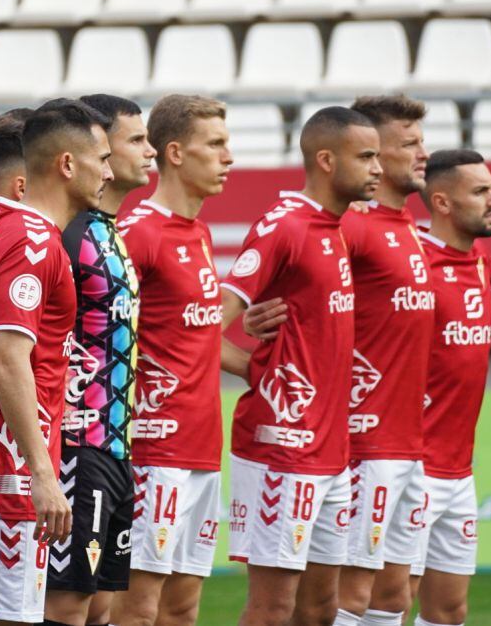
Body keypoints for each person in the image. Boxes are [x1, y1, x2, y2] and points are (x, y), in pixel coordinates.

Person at [0, 99, 112, 625]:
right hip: (4, 464)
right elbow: (11, 362)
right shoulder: (34, 241)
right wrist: (41, 472)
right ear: (66, 165)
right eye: (100, 159)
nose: (108, 171)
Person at [218, 106, 382, 626]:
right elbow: (202, 323)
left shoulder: (335, 227)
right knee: (273, 607)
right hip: (281, 447)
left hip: (331, 451)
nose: (378, 167)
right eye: (367, 156)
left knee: (319, 610)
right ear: (327, 160)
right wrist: (250, 366)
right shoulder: (283, 225)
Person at [110, 94, 233, 626]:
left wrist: (255, 366)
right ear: (177, 153)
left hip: (203, 448)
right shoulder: (140, 233)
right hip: (155, 448)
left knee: (182, 610)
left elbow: (191, 337)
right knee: (137, 609)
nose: (229, 157)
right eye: (217, 144)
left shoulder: (199, 233)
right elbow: (90, 324)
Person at [42, 94, 156, 626]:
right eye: (135, 140)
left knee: (102, 608)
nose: (148, 151)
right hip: (76, 445)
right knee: (66, 606)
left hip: (115, 449)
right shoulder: (67, 234)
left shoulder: (109, 233)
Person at [336, 95, 435, 626]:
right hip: (362, 442)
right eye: (409, 144)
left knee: (395, 595)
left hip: (409, 442)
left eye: (422, 141)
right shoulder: (351, 227)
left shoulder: (409, 231)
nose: (423, 154)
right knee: (352, 592)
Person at [404, 150, 491, 626]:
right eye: (481, 191)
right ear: (441, 202)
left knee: (449, 611)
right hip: (408, 465)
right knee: (391, 600)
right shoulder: (412, 259)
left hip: (458, 469)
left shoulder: (482, 264)